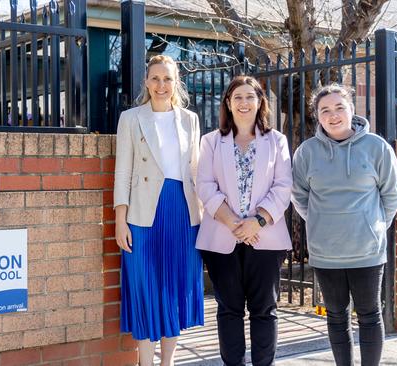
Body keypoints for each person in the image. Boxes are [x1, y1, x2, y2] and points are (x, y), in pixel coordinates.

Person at [291, 84, 397, 366]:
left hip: (366, 250)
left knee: (369, 315)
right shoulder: (307, 152)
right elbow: (300, 197)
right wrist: (320, 224)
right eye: (325, 110)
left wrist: (372, 225)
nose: (333, 115)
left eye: (340, 107)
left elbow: (391, 195)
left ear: (352, 110)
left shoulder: (376, 147)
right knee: (336, 316)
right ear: (317, 116)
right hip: (325, 252)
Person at [195, 75, 292, 366]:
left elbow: (283, 186)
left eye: (250, 96)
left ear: (260, 101)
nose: (244, 102)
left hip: (266, 238)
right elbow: (204, 185)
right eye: (237, 97)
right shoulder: (211, 141)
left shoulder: (277, 141)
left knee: (265, 309)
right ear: (228, 102)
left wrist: (256, 223)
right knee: (229, 309)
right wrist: (234, 223)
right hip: (221, 238)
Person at [113, 55, 204, 366]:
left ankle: (168, 362)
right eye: (155, 78)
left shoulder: (190, 119)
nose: (161, 85)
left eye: (167, 79)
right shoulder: (131, 118)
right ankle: (145, 362)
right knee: (143, 285)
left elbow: (196, 169)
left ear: (175, 82)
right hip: (141, 213)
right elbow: (122, 171)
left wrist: (204, 215)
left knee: (174, 286)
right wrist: (119, 219)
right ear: (146, 82)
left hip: (182, 210)